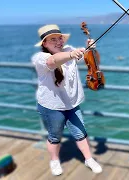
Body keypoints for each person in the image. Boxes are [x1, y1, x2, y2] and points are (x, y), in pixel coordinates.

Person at [31, 24, 102, 176]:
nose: (58, 41)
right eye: (53, 40)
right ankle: (54, 160)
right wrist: (71, 55)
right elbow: (53, 61)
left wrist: (91, 49)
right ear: (44, 43)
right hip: (52, 106)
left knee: (81, 133)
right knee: (55, 136)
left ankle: (89, 159)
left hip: (72, 104)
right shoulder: (40, 58)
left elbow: (92, 60)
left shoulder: (69, 49)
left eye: (59, 38)